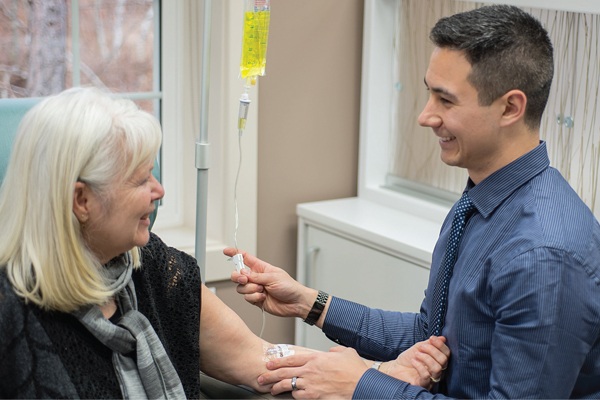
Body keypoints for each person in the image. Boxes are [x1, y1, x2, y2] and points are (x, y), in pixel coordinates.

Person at [228, 4, 600, 399]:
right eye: (428, 94)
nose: (425, 116)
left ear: (510, 107)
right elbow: (431, 334)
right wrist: (310, 303)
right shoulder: (480, 201)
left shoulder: (544, 257)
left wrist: (361, 385)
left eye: (446, 100)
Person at [0, 87, 448, 398]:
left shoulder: (152, 267)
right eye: (141, 179)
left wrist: (375, 377)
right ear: (81, 200)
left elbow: (260, 359)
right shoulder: (11, 314)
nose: (159, 191)